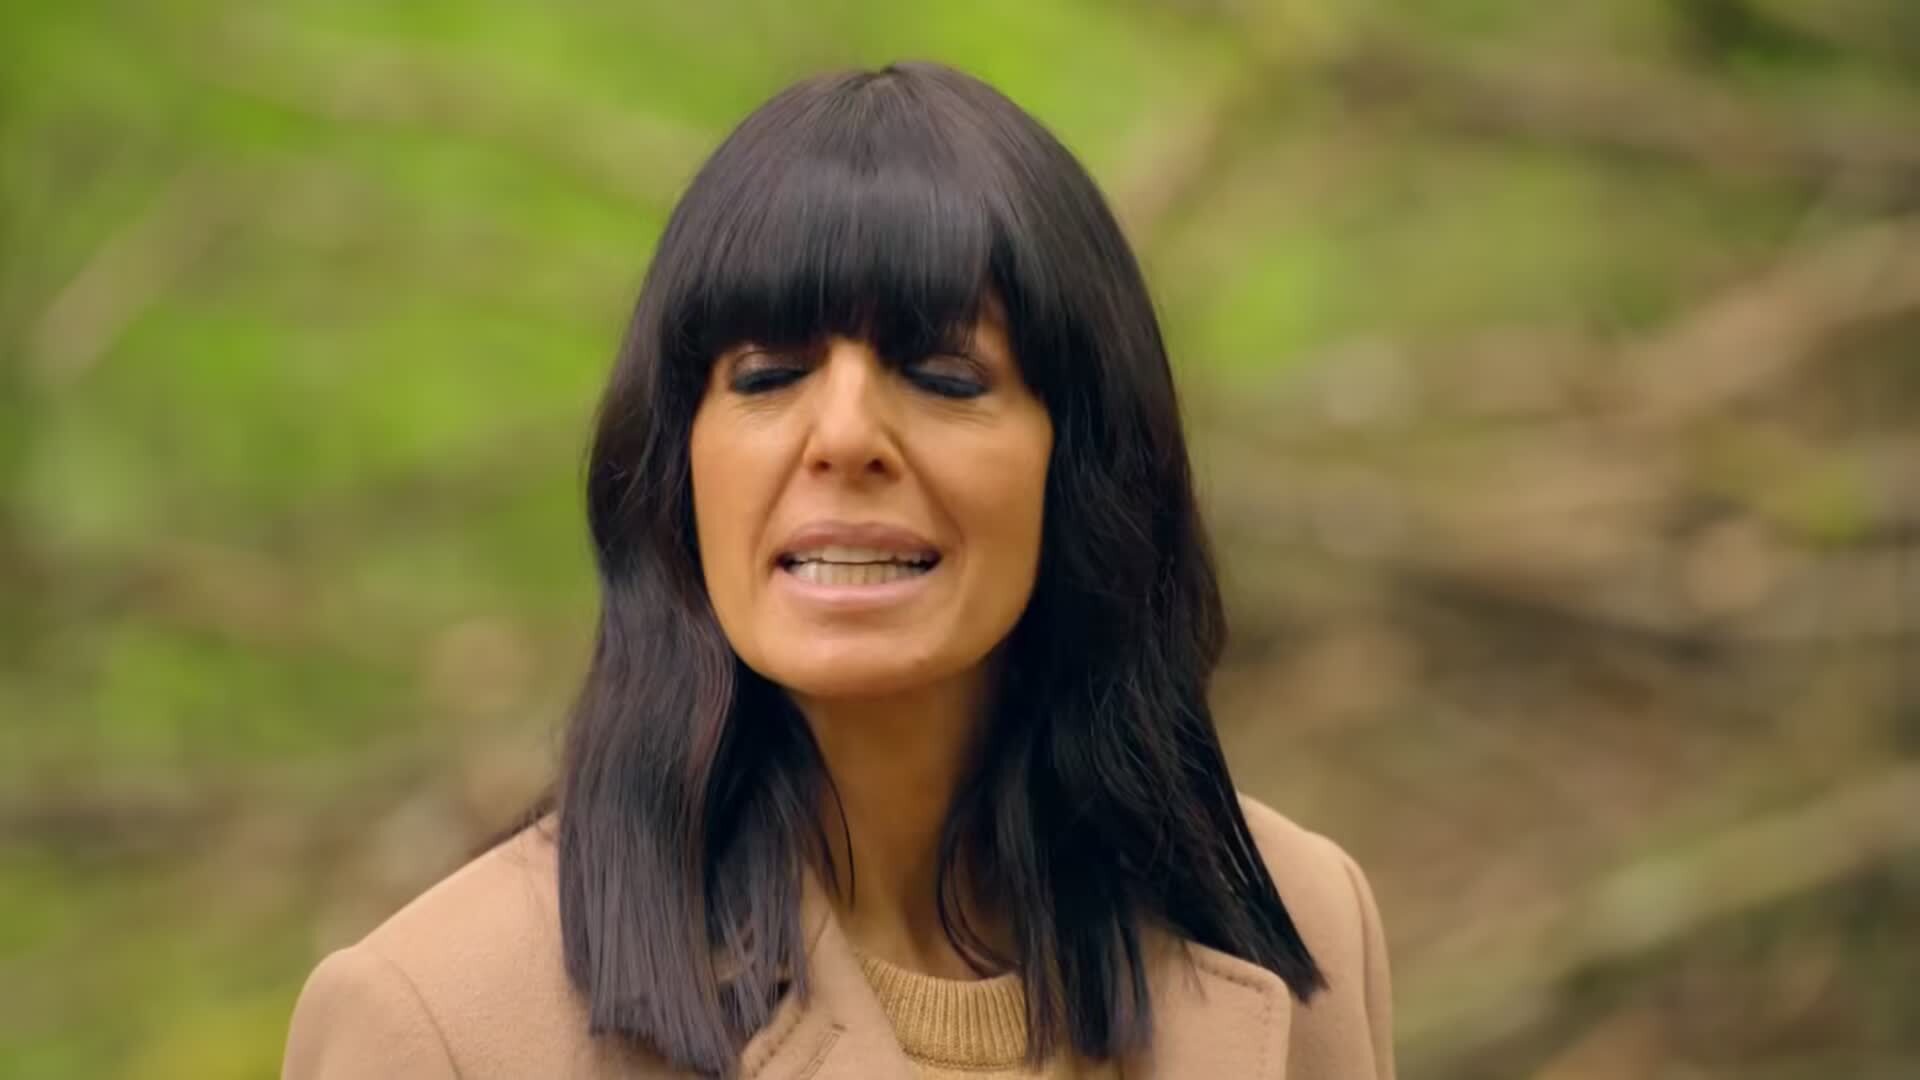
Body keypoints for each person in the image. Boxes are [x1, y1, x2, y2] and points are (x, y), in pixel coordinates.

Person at [283, 60, 1394, 1080]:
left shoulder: (1301, 929)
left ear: (1085, 462)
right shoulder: (437, 1023)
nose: (846, 436)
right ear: (675, 468)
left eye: (945, 375)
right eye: (767, 375)